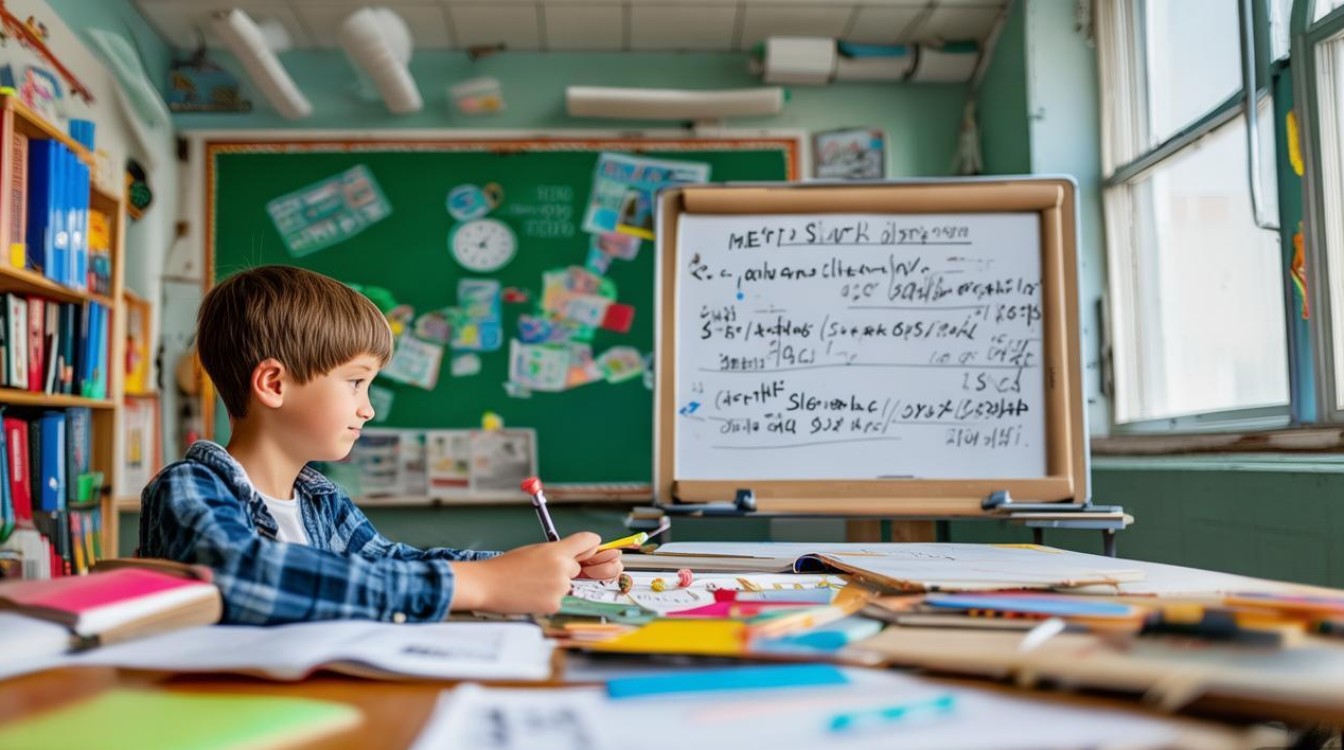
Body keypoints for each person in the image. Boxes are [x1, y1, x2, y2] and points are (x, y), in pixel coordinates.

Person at [139, 265, 622, 624]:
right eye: (355, 383)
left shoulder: (320, 501)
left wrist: (533, 567)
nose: (367, 409)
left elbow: (392, 564)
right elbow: (243, 575)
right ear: (274, 384)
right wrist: (481, 585)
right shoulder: (190, 488)